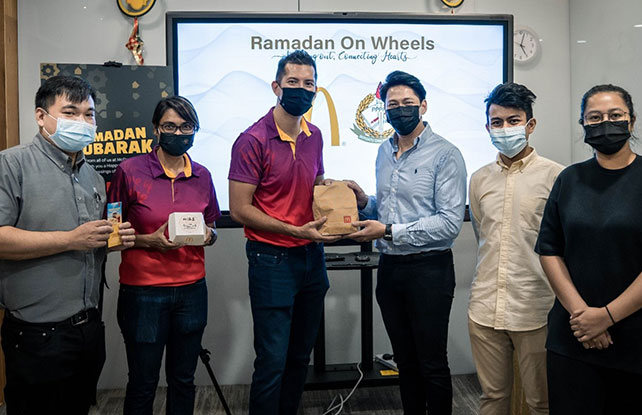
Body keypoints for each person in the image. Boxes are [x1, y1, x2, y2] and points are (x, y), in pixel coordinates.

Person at [0, 75, 136, 414]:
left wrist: (108, 242)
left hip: (88, 328)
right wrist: (71, 239)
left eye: (89, 115)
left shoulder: (91, 175)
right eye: (71, 112)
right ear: (41, 116)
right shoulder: (11, 164)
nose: (82, 122)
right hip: (36, 334)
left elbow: (85, 244)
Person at [535, 84, 642, 414]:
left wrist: (606, 317)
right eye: (594, 118)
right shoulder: (569, 179)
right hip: (574, 336)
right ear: (583, 125)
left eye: (615, 116)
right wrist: (584, 316)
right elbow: (549, 250)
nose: (604, 123)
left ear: (631, 121)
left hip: (640, 340)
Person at [346, 70, 467, 415]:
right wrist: (362, 201)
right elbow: (386, 208)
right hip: (391, 269)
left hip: (429, 270)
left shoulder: (446, 154)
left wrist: (386, 231)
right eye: (392, 105)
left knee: (431, 362)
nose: (399, 110)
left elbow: (448, 224)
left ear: (423, 106)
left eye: (407, 103)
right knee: (405, 360)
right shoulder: (384, 151)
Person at [228, 50, 339, 415]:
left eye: (309, 84)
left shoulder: (315, 135)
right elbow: (241, 209)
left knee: (298, 358)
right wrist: (294, 228)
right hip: (271, 259)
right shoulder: (252, 140)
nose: (301, 90)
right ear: (276, 87)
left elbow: (314, 185)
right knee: (273, 360)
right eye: (293, 83)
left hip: (311, 257)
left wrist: (339, 189)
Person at [107, 96, 221, 415]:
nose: (179, 133)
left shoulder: (203, 175)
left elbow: (210, 228)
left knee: (183, 380)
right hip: (143, 293)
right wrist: (148, 241)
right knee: (143, 382)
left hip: (192, 292)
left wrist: (208, 236)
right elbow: (112, 235)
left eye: (186, 126)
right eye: (170, 126)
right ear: (156, 129)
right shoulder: (129, 171)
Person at [468, 82, 563, 415]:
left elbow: (560, 246)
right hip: (484, 307)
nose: (505, 128)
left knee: (541, 402)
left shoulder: (556, 177)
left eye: (513, 120)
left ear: (530, 125)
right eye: (497, 122)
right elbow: (484, 233)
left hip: (535, 308)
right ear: (487, 127)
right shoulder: (479, 179)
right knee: (492, 399)